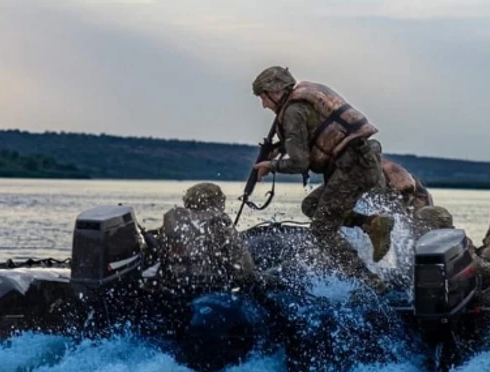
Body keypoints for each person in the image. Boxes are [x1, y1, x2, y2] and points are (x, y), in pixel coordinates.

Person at [250, 66, 393, 291]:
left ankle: (369, 282)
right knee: (311, 205)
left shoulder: (292, 112)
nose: (264, 105)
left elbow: (300, 163)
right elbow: (317, 134)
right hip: (360, 164)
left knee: (322, 230)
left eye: (263, 98)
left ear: (275, 92)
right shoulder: (304, 99)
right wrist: (280, 148)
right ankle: (371, 223)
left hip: (352, 170)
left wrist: (270, 166)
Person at [157, 183, 257, 297]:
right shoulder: (220, 221)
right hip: (212, 289)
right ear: (217, 201)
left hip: (176, 286)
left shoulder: (174, 220)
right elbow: (246, 266)